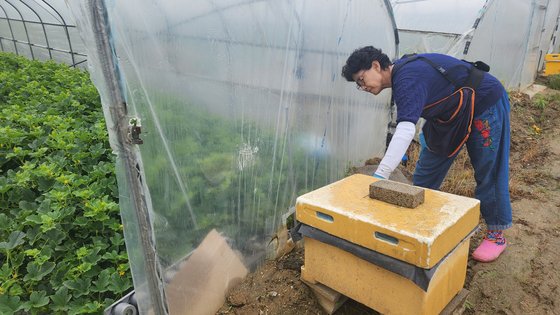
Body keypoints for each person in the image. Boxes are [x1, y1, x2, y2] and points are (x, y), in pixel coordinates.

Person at [341, 46, 512, 263]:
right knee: (424, 175)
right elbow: (409, 117)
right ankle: (415, 226)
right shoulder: (402, 78)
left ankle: (496, 234)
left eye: (361, 79)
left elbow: (406, 129)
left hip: (484, 103)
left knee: (489, 169)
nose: (362, 86)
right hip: (448, 116)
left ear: (376, 65)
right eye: (358, 84)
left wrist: (379, 176)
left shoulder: (408, 75)